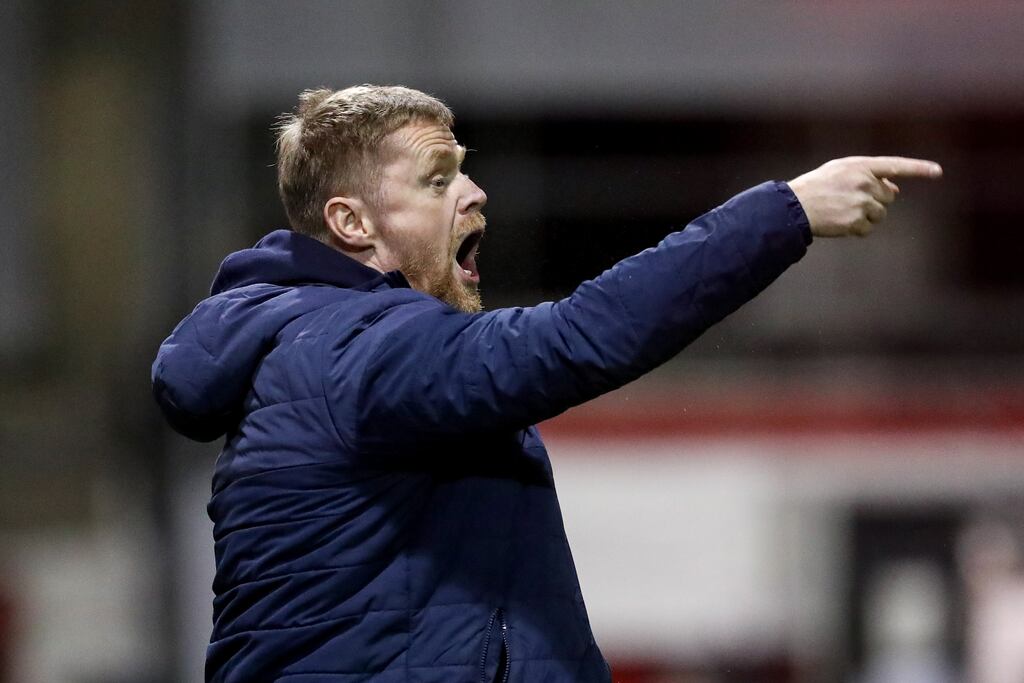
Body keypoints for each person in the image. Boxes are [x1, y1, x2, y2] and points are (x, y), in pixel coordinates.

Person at [151, 84, 942, 683]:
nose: (474, 191)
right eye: (437, 179)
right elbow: (577, 337)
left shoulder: (320, 351)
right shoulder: (356, 348)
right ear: (354, 224)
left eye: (464, 169)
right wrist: (786, 212)